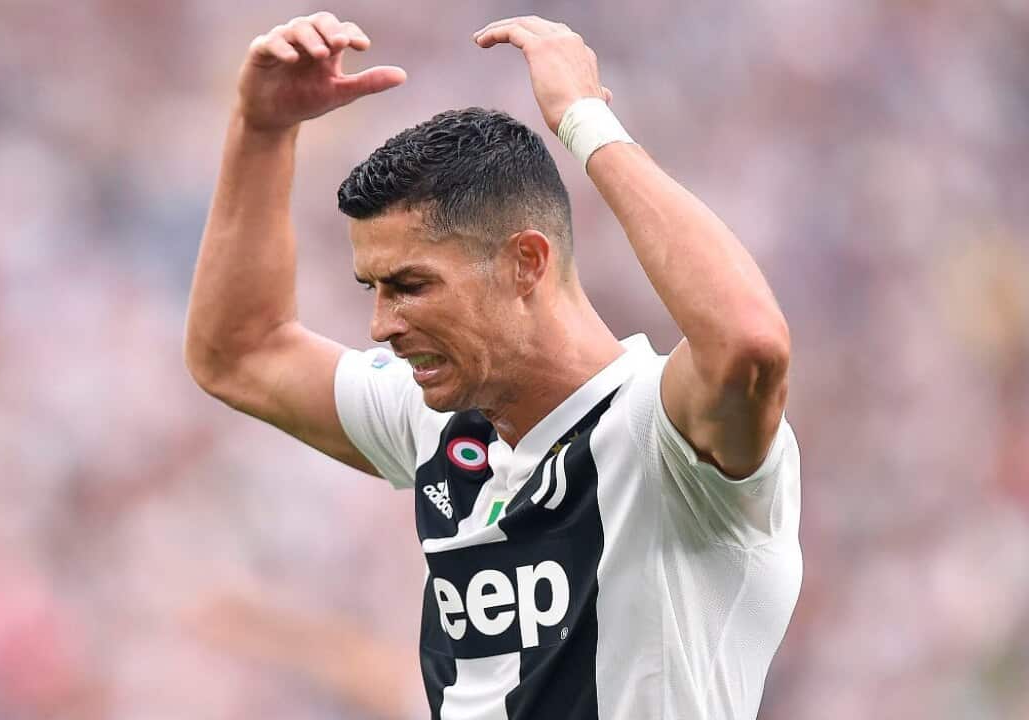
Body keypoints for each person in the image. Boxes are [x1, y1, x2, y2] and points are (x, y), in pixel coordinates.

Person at [185, 11, 802, 720]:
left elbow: (751, 343)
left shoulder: (661, 438)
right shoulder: (440, 422)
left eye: (410, 286)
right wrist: (261, 134)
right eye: (373, 289)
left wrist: (583, 119)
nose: (381, 325)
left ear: (525, 262)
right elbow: (239, 352)